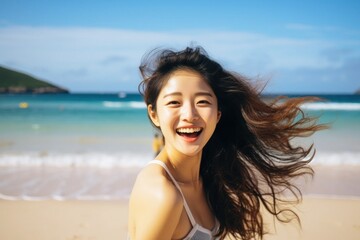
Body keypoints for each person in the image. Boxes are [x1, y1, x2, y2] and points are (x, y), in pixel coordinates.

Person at [128, 46, 326, 240]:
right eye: (174, 103)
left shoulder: (208, 177)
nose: (189, 115)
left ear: (218, 114)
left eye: (202, 102)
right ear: (154, 114)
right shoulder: (162, 193)